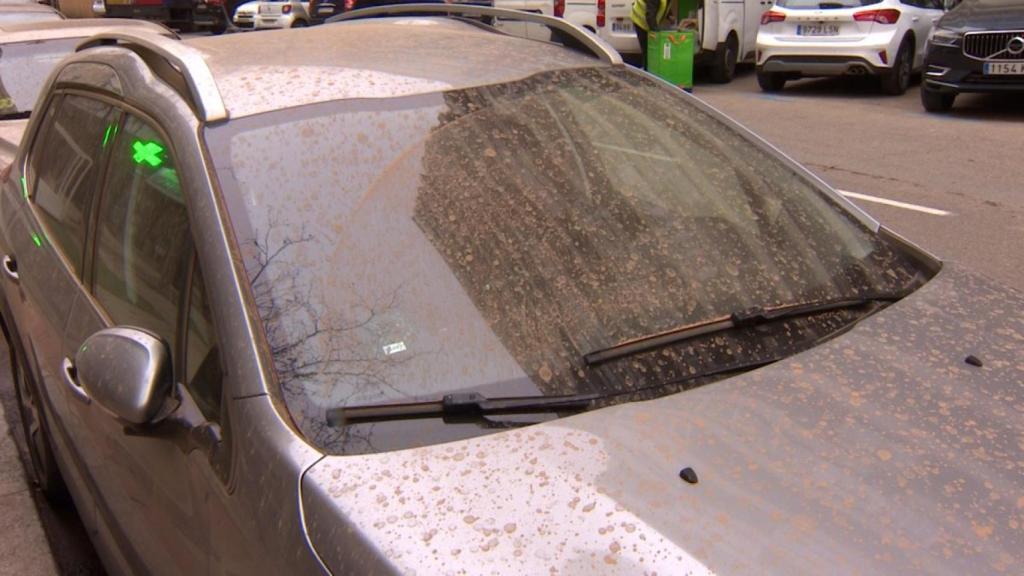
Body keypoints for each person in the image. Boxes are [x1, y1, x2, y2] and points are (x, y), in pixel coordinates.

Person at [631, 0, 669, 70]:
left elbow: (663, 6)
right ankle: (646, 73)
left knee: (649, 52)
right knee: (647, 52)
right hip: (640, 21)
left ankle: (648, 71)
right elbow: (650, 15)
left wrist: (669, 16)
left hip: (646, 18)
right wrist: (656, 31)